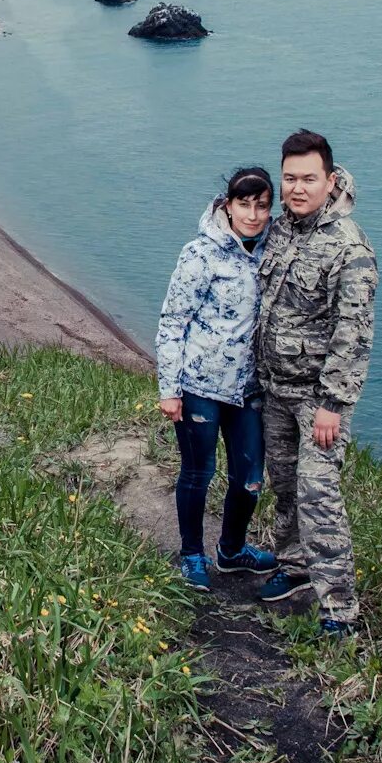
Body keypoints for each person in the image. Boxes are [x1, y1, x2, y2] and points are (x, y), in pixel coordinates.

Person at [252, 129, 377, 637]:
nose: (297, 188)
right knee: (284, 486)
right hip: (274, 390)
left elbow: (355, 332)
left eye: (308, 178)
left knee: (318, 494)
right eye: (290, 178)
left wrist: (332, 403)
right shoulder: (282, 228)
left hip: (319, 402)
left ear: (331, 179)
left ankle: (340, 608)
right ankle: (295, 566)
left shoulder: (350, 248)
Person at [155, 166, 282, 591]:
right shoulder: (200, 254)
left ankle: (231, 551)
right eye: (244, 204)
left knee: (249, 479)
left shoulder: (274, 249)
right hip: (199, 387)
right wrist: (169, 389)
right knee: (198, 473)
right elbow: (173, 321)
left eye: (262, 206)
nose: (252, 214)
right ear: (227, 206)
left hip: (248, 389)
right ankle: (192, 554)